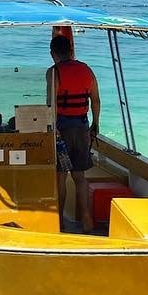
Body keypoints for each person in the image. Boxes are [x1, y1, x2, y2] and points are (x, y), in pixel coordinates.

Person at [47, 33, 101, 232]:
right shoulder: (86, 69)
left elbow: (51, 104)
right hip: (82, 126)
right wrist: (95, 124)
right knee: (80, 176)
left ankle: (60, 221)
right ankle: (86, 218)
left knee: (61, 176)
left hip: (62, 129)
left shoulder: (54, 72)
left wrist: (52, 130)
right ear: (70, 50)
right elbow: (96, 100)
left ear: (52, 53)